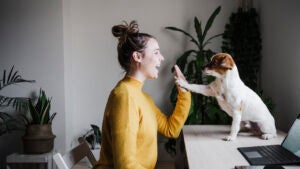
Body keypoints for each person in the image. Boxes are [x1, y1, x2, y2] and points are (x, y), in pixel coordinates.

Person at [94, 20, 191, 169]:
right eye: (156, 52)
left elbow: (171, 129)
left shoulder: (142, 97)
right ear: (137, 57)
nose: (162, 58)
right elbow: (126, 165)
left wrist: (184, 93)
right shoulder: (124, 96)